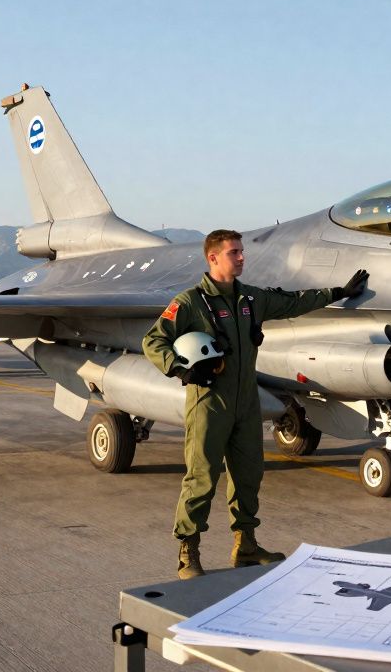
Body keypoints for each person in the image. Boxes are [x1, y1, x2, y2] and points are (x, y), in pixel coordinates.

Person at [143, 229, 368, 579]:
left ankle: (245, 545)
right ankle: (188, 552)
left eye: (242, 251)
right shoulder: (190, 302)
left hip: (247, 401)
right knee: (201, 477)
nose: (242, 257)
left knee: (249, 476)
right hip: (209, 402)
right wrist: (180, 369)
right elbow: (154, 340)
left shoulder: (251, 299)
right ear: (213, 258)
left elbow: (294, 302)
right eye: (234, 252)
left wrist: (338, 293)